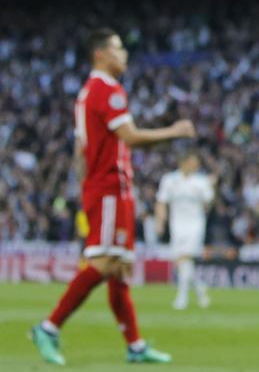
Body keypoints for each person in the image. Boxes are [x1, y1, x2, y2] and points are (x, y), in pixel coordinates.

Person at [30, 28, 195, 366]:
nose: (125, 55)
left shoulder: (86, 94)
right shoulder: (107, 90)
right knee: (104, 263)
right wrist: (175, 132)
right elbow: (130, 138)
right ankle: (49, 327)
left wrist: (85, 186)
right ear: (100, 54)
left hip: (104, 187)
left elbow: (80, 149)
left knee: (118, 268)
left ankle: (135, 346)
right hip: (108, 187)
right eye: (118, 49)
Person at [155, 151, 215, 310]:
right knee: (180, 263)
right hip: (177, 225)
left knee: (185, 258)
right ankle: (200, 288)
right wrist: (160, 222)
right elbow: (161, 201)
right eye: (193, 161)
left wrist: (212, 187)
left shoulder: (201, 181)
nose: (196, 165)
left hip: (195, 224)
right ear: (184, 162)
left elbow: (208, 204)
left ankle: (182, 298)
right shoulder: (170, 180)